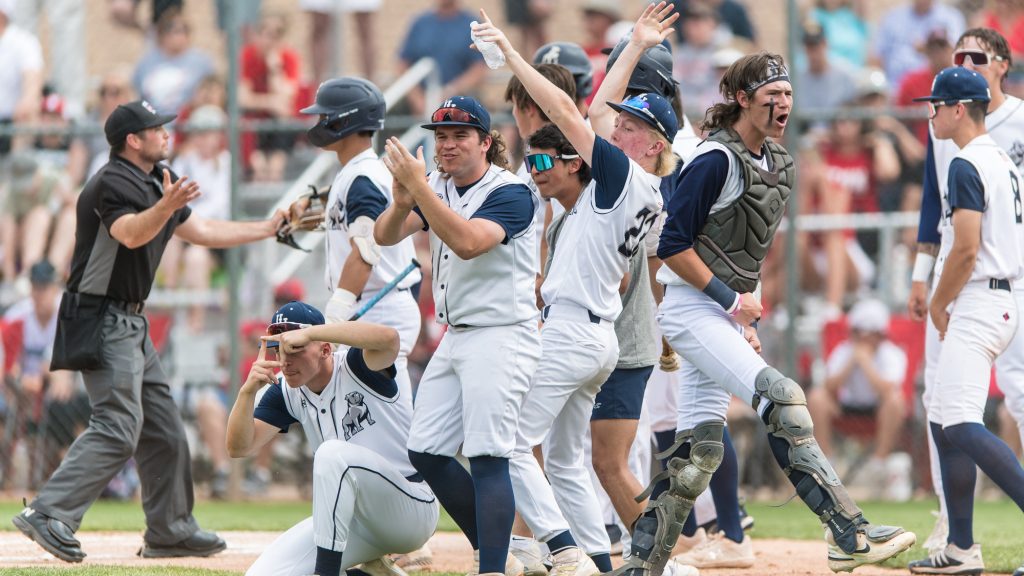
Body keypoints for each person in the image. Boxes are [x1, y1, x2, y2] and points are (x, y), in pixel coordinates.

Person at [614, 50, 916, 576]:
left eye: (788, 93)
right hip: (690, 307)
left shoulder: (779, 163)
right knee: (783, 397)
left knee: (696, 456)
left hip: (721, 311)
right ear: (741, 99)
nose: (783, 103)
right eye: (771, 94)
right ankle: (848, 531)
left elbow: (746, 251)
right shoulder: (714, 159)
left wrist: (743, 318)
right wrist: (733, 303)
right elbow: (673, 245)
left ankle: (642, 562)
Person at [11, 99, 286, 563]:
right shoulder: (110, 181)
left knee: (164, 429)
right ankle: (49, 511)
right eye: (156, 128)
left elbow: (204, 231)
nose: (166, 133)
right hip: (99, 315)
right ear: (132, 140)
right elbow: (132, 233)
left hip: (130, 320)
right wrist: (166, 205)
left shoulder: (157, 179)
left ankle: (170, 530)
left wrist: (270, 227)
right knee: (118, 427)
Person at [473, 5, 676, 574]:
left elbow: (568, 112)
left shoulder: (623, 178)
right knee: (563, 462)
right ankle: (599, 563)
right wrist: (634, 48)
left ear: (654, 145)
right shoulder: (630, 183)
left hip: (571, 331)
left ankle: (562, 550)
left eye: (632, 127)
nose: (617, 127)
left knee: (509, 443)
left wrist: (511, 54)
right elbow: (594, 113)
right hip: (593, 335)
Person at [374, 94, 539, 576]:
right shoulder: (439, 187)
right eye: (441, 136)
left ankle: (493, 568)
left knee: (488, 455)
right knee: (425, 450)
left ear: (486, 142)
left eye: (460, 135)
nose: (447, 144)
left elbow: (468, 242)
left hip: (501, 332)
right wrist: (403, 200)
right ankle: (498, 551)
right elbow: (385, 235)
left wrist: (420, 190)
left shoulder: (510, 191)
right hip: (458, 333)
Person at [907, 27, 1024, 558]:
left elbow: (966, 249)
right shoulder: (997, 157)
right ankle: (959, 546)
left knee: (958, 422)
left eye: (936, 106)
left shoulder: (967, 161)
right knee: (942, 416)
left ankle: (961, 543)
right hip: (998, 297)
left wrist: (937, 302)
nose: (931, 115)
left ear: (959, 109)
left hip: (980, 298)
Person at [298, 80, 426, 557]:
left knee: (385, 420)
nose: (318, 122)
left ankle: (409, 521)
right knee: (381, 418)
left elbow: (367, 248)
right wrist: (312, 210)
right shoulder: (355, 172)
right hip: (376, 305)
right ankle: (394, 523)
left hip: (376, 306)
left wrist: (337, 310)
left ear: (346, 120)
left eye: (325, 114)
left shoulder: (363, 175)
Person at [228, 301, 438, 576]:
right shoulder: (286, 389)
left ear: (325, 349)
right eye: (279, 348)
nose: (284, 360)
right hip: (356, 523)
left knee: (331, 454)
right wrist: (246, 392)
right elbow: (239, 447)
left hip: (410, 509)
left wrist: (312, 333)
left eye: (295, 348)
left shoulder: (356, 366)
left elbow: (389, 339)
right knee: (262, 574)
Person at [807, 297, 910, 499]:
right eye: (857, 332)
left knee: (895, 401)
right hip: (845, 407)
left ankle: (878, 463)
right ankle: (827, 462)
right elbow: (829, 386)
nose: (862, 339)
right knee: (817, 397)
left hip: (878, 409)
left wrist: (866, 363)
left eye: (868, 334)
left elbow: (887, 390)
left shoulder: (892, 354)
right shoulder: (844, 351)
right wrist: (851, 362)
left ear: (880, 335)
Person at [396, 0, 487, 116]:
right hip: (419, 102)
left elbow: (479, 68)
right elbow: (403, 63)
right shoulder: (420, 23)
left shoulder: (472, 25)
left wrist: (450, 93)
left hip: (460, 103)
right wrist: (417, 98)